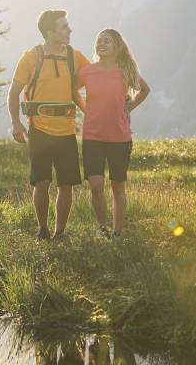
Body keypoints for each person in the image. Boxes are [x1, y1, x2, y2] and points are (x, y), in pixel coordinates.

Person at [7, 10, 90, 239]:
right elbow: (13, 93)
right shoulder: (31, 57)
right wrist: (16, 123)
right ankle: (42, 229)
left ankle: (60, 232)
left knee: (66, 185)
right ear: (50, 33)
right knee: (41, 183)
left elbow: (97, 77)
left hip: (66, 132)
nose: (70, 30)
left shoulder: (75, 57)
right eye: (64, 27)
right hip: (39, 130)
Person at [75, 29, 150, 239]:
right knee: (96, 185)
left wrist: (130, 107)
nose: (102, 44)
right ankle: (102, 228)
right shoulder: (87, 72)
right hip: (92, 137)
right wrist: (84, 109)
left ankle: (117, 232)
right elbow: (74, 90)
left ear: (117, 47)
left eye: (107, 41)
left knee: (118, 186)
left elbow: (145, 89)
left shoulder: (125, 71)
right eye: (99, 41)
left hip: (120, 137)